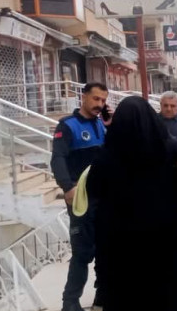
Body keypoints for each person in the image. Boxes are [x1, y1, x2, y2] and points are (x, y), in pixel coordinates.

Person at [86, 97, 177, 310]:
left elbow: (93, 191)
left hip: (121, 248)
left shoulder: (106, 156)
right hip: (163, 242)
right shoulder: (166, 149)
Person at [50, 83, 110, 311]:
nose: (99, 105)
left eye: (103, 101)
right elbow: (57, 158)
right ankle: (70, 302)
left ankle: (102, 297)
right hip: (81, 199)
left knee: (106, 250)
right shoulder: (68, 126)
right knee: (83, 253)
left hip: (104, 198)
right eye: (96, 99)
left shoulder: (101, 124)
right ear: (83, 97)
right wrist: (67, 187)